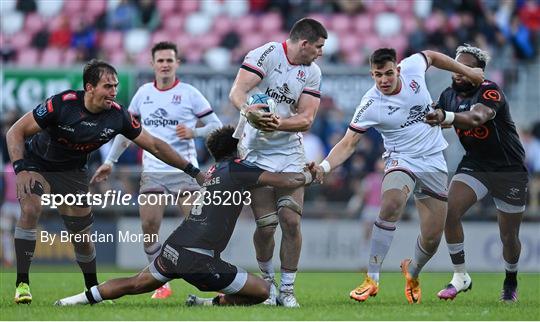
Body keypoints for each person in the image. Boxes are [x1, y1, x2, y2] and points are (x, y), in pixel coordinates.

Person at [6, 59, 204, 304]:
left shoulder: (118, 115)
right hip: (38, 164)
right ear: (89, 88)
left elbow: (154, 145)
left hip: (73, 173)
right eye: (107, 86)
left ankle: (93, 290)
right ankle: (22, 283)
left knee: (83, 238)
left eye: (116, 86)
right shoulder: (61, 104)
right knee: (30, 207)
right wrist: (21, 168)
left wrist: (192, 170)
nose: (113, 92)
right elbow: (14, 131)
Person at [54, 126, 318, 307]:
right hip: (198, 258)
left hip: (175, 247)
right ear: (238, 148)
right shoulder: (238, 169)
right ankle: (211, 302)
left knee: (134, 283)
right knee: (263, 291)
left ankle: (72, 301)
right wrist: (310, 174)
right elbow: (285, 179)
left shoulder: (215, 170)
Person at [313, 48, 484, 304]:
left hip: (433, 159)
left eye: (389, 73)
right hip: (400, 159)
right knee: (391, 202)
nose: (384, 80)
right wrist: (325, 167)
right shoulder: (371, 104)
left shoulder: (414, 67)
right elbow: (349, 143)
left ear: (398, 69)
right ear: (372, 74)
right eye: (378, 75)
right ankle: (372, 278)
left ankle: (412, 273)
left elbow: (433, 56)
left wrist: (468, 71)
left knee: (432, 236)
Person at [91, 41, 222, 299]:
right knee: (149, 226)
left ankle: (216, 278)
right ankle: (161, 284)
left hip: (185, 171)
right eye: (160, 60)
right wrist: (110, 161)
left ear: (177, 63)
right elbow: (125, 131)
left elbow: (216, 125)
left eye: (169, 60)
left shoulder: (189, 93)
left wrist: (194, 131)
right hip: (153, 171)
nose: (164, 65)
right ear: (152, 64)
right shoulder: (143, 94)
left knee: (200, 228)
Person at [229, 17, 327, 307]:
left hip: (288, 151)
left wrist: (277, 123)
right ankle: (268, 284)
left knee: (291, 221)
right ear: (304, 43)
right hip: (255, 150)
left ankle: (287, 289)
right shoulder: (266, 54)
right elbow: (237, 92)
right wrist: (249, 112)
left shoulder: (313, 72)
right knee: (268, 225)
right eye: (319, 46)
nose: (321, 52)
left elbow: (307, 118)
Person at [425, 45, 528, 303]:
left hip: (508, 170)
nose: (457, 72)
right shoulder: (448, 94)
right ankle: (460, 276)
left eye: (465, 67)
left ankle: (510, 280)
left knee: (508, 236)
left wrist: (444, 116)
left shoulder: (491, 91)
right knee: (450, 212)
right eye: (455, 66)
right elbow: (431, 118)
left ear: (479, 72)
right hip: (476, 165)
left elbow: (475, 118)